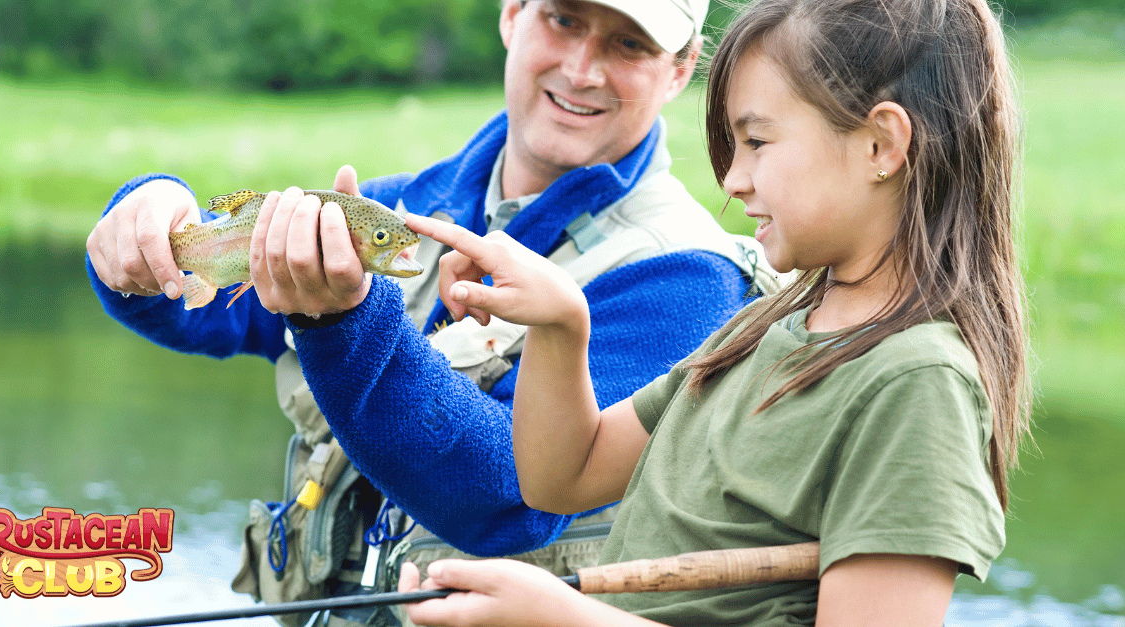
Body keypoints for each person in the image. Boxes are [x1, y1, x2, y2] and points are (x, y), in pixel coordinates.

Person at [393, 0, 1033, 624]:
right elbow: (564, 476)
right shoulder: (766, 326)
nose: (733, 180)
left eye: (757, 140)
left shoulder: (918, 382)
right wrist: (559, 322)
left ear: (881, 144)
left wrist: (564, 619)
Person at [85, 0, 778, 573]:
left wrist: (345, 320)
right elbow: (205, 313)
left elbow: (509, 494)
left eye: (628, 44)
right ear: (513, 15)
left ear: (681, 69)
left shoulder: (689, 278)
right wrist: (144, 226)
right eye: (563, 20)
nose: (581, 69)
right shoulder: (411, 202)